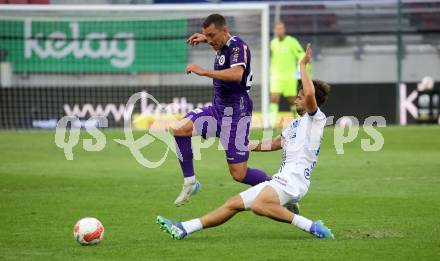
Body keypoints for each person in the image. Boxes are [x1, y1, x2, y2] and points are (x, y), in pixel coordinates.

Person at [157, 44, 334, 240]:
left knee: (260, 206)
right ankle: (183, 228)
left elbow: (310, 94)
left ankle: (311, 226)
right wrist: (244, 145)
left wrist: (302, 65)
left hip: (293, 181)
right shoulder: (294, 125)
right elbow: (275, 144)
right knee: (233, 203)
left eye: (300, 96)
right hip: (281, 180)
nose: (296, 99)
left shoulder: (316, 120)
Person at [172, 14, 272, 206]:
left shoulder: (238, 46)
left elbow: (236, 74)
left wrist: (204, 71)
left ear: (225, 31)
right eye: (206, 36)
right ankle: (190, 182)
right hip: (218, 110)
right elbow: (218, 43)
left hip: (237, 114)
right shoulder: (221, 43)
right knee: (179, 128)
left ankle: (279, 189)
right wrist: (206, 39)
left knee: (239, 174)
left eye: (212, 35)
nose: (210, 40)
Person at [269, 21, 312, 127]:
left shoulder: (291, 41)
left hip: (289, 76)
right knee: (274, 98)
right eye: (277, 29)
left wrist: (305, 62)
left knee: (293, 100)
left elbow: (300, 53)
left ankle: (298, 119)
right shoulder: (273, 43)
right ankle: (270, 124)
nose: (279, 31)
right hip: (276, 76)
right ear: (275, 31)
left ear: (284, 30)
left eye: (281, 28)